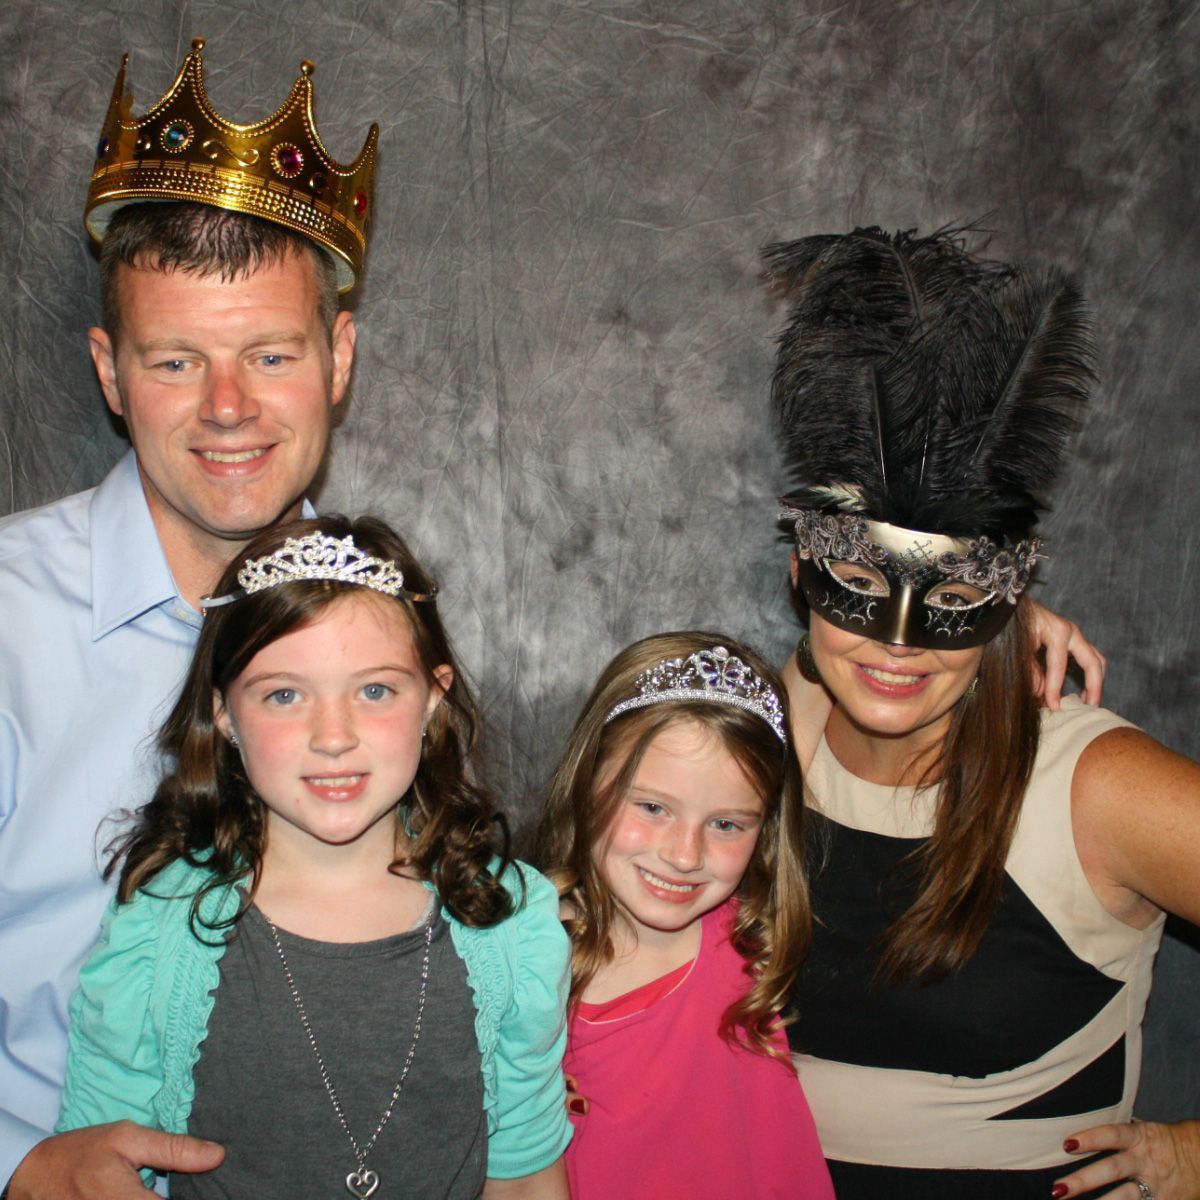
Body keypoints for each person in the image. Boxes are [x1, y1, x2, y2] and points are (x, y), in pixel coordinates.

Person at [0, 40, 374, 1197]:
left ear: (338, 358)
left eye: (270, 353)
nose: (228, 410)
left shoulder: (391, 633)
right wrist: (16, 1167)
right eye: (177, 361)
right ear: (111, 373)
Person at [763, 226, 1200, 1199]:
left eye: (956, 596)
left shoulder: (1095, 786)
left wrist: (1194, 1158)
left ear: (1010, 592)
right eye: (860, 580)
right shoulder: (760, 725)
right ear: (800, 564)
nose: (900, 642)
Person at [56, 514, 572, 1198]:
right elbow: (94, 1170)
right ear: (226, 715)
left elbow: (527, 1177)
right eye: (285, 695)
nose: (334, 736)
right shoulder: (158, 930)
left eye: (375, 690)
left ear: (433, 700)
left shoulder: (512, 923)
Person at [535, 631, 836, 1200]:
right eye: (652, 807)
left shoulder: (746, 939)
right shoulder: (522, 961)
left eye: (726, 824)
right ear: (586, 779)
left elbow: (835, 662)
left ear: (765, 828)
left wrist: (999, 626)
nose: (684, 856)